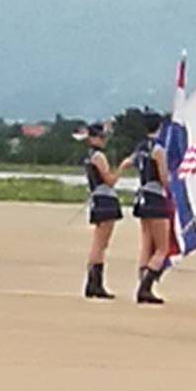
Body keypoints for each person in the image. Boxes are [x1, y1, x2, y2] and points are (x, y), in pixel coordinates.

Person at [124, 123, 173, 308]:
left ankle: (142, 279)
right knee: (162, 248)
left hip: (142, 194)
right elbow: (163, 177)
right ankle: (146, 285)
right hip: (155, 198)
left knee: (146, 243)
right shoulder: (158, 149)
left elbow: (127, 163)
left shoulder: (141, 148)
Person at [79, 123, 123, 299]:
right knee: (101, 243)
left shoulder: (89, 157)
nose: (103, 140)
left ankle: (93, 282)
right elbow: (109, 180)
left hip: (96, 199)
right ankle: (95, 283)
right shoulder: (99, 157)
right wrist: (121, 168)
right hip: (105, 199)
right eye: (101, 137)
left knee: (99, 242)